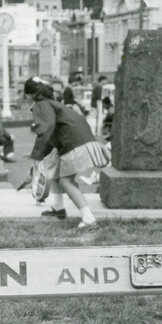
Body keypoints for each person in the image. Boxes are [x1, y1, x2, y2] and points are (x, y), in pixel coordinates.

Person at [25, 76, 110, 230]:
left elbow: (46, 129)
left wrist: (36, 155)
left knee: (66, 182)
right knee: (58, 175)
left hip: (73, 144)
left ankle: (89, 219)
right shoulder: (54, 104)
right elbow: (52, 135)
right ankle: (59, 208)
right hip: (83, 140)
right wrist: (39, 155)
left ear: (28, 95)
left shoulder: (40, 105)